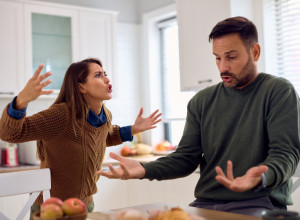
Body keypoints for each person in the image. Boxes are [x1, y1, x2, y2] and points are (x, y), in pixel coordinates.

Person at [97, 16, 300, 217]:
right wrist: (143, 169)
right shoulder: (202, 101)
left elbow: (286, 154)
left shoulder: (278, 91)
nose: (223, 68)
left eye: (231, 57)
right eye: (217, 58)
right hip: (206, 204)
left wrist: (262, 176)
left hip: (257, 203)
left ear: (254, 52)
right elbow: (185, 158)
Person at [0, 58, 162, 220]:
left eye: (105, 74)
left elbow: (101, 137)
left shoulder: (104, 115)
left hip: (85, 204)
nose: (107, 79)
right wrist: (22, 99)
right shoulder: (61, 115)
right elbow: (10, 134)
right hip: (52, 207)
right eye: (98, 75)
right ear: (81, 86)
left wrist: (133, 129)